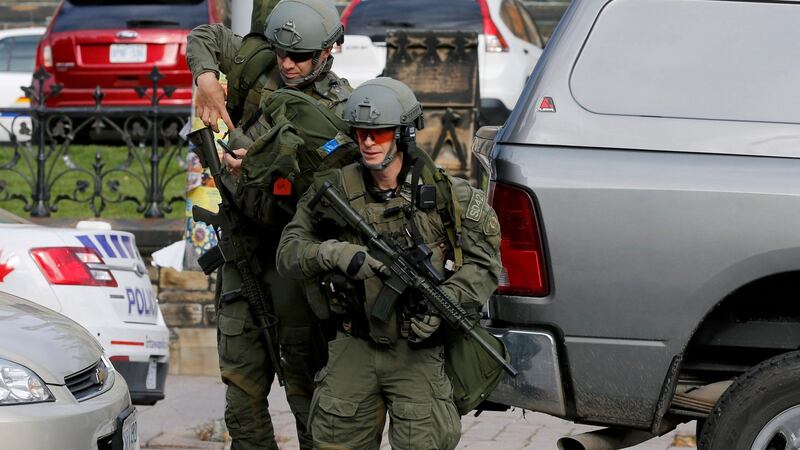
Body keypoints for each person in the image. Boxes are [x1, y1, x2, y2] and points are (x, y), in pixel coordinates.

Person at [276, 78, 504, 450]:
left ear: (402, 135)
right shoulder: (333, 190)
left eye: (378, 133)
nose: (367, 141)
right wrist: (338, 254)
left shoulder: (447, 195)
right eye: (361, 132)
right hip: (355, 344)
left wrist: (443, 303)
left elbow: (485, 265)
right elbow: (288, 252)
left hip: (416, 352)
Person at [185, 1, 352, 449]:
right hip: (243, 248)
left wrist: (261, 166)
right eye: (281, 52)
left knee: (305, 393)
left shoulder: (338, 111)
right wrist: (205, 81)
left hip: (293, 260)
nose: (287, 64)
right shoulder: (260, 64)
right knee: (241, 395)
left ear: (327, 52)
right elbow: (203, 37)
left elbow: (332, 192)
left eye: (299, 57)